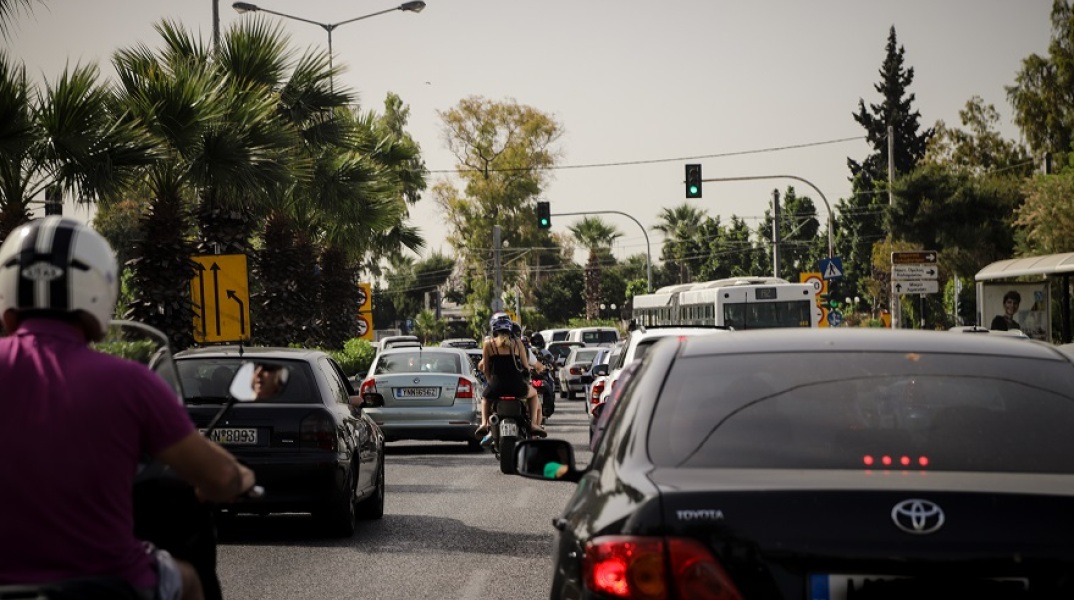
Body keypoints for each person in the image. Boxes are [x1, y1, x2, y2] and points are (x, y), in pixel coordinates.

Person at [0, 217, 256, 600]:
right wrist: (241, 479)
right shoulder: (130, 382)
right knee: (187, 579)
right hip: (108, 583)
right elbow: (218, 477)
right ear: (100, 289)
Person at [475, 314, 546, 439]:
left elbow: (485, 368)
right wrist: (528, 372)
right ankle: (534, 424)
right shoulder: (518, 343)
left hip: (497, 387)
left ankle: (484, 424)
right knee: (534, 395)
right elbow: (525, 365)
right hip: (517, 386)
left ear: (493, 329)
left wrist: (491, 382)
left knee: (485, 399)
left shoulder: (488, 344)